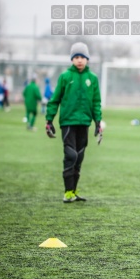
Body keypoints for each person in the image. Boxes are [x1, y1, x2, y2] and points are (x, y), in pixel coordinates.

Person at [45, 42, 103, 203]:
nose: (79, 60)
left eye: (82, 57)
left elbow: (96, 102)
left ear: (87, 59)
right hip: (68, 122)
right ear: (71, 59)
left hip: (84, 122)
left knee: (80, 156)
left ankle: (74, 191)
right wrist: (49, 120)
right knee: (71, 155)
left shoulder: (93, 79)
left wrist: (97, 121)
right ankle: (67, 192)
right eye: (76, 57)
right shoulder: (65, 77)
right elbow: (54, 100)